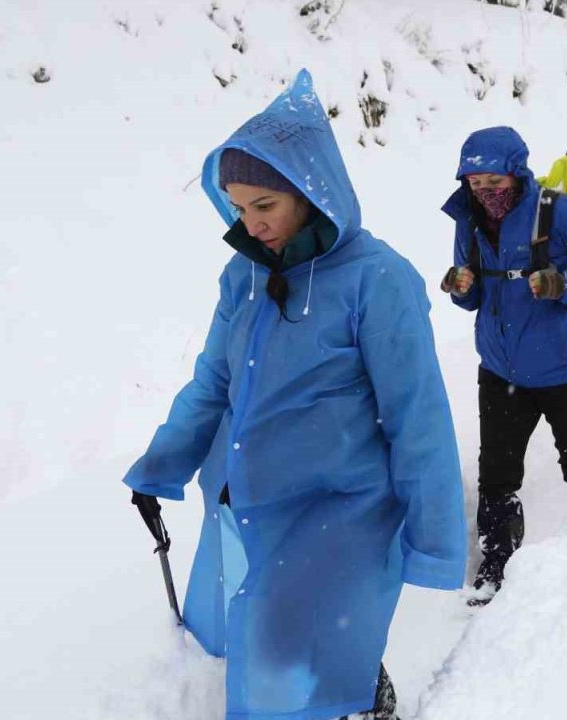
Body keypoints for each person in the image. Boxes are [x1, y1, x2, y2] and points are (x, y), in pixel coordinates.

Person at [123, 70, 467, 720]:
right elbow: (212, 383)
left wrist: (436, 541)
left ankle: (363, 703)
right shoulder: (243, 276)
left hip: (341, 507)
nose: (249, 225)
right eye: (237, 207)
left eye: (264, 206)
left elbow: (417, 417)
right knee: (286, 636)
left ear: (309, 192)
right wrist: (161, 467)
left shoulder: (377, 281)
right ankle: (356, 684)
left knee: (275, 661)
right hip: (251, 498)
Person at [440, 126, 567, 604]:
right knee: (497, 474)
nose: (485, 193)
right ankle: (496, 562)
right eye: (475, 182)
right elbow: (479, 294)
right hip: (502, 371)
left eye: (494, 181)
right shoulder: (468, 219)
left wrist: (563, 283)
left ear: (517, 173)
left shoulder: (559, 213)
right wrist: (462, 288)